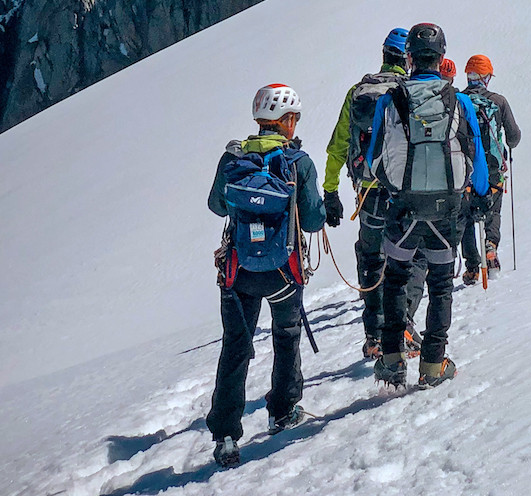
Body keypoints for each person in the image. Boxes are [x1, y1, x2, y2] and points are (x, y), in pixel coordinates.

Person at [206, 84, 326, 469]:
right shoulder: (298, 161)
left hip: (238, 270)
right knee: (286, 336)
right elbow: (311, 219)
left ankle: (226, 435)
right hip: (283, 271)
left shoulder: (233, 157)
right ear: (287, 120)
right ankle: (282, 411)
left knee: (236, 346)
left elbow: (215, 205)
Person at [367, 23, 488, 391]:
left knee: (396, 279)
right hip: (446, 209)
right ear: (442, 57)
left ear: (409, 58)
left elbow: (373, 159)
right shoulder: (460, 100)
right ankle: (434, 365)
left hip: (402, 207)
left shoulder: (392, 100)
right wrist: (478, 194)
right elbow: (477, 159)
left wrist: (392, 186)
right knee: (439, 284)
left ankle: (391, 360)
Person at [322, 28, 409, 361]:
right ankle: (401, 328)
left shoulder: (358, 92)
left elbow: (338, 145)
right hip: (402, 193)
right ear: (407, 58)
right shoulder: (407, 91)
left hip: (367, 192)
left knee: (371, 258)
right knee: (404, 260)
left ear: (384, 54)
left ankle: (373, 335)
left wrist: (331, 192)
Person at [461, 54, 521, 280]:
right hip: (493, 166)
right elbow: (514, 136)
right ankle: (491, 246)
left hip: (465, 169)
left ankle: (472, 267)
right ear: (486, 77)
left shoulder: (457, 100)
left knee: (466, 215)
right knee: (493, 210)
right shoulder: (498, 101)